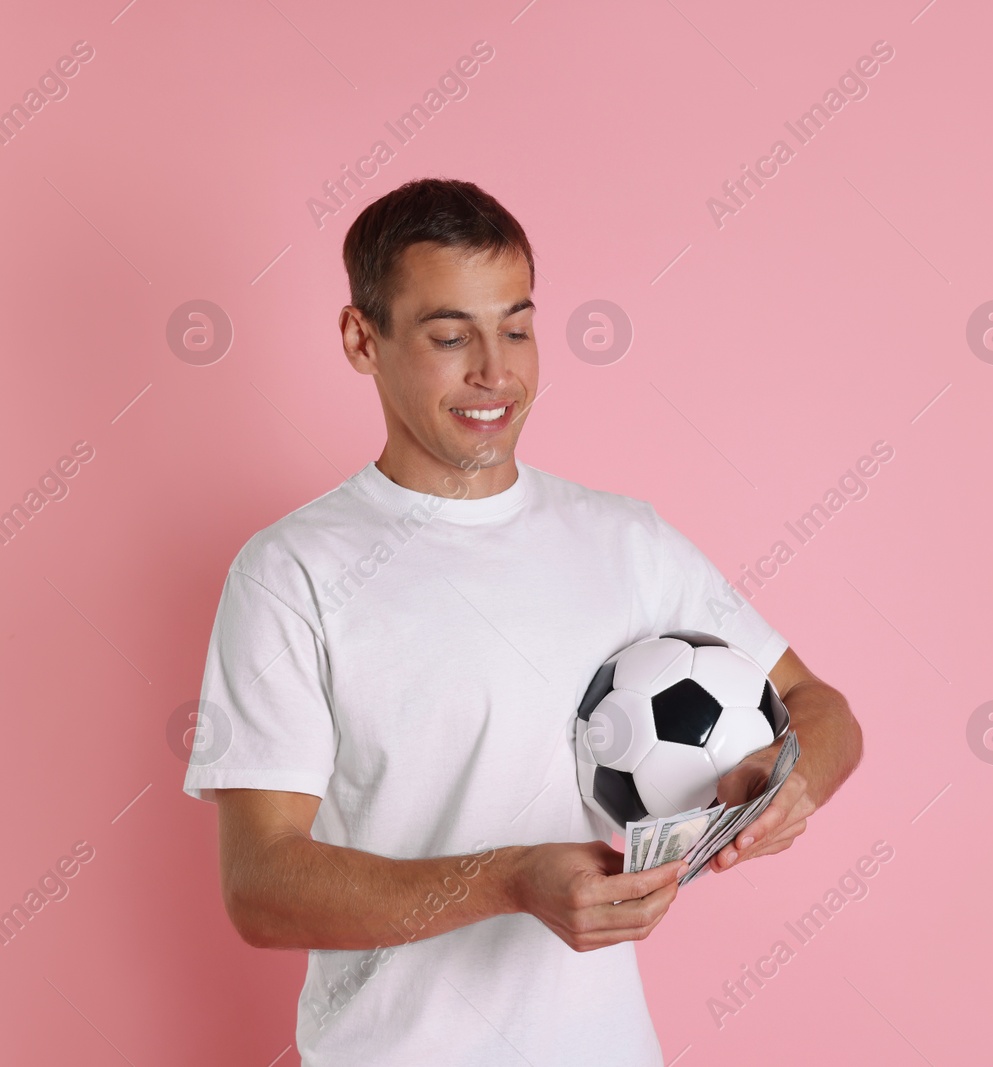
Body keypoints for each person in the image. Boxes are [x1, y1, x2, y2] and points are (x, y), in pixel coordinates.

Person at [182, 177, 864, 1065]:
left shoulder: (626, 541)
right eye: (449, 334)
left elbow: (820, 704)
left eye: (516, 327)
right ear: (362, 339)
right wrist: (507, 880)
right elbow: (261, 885)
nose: (495, 372)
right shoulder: (290, 572)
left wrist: (790, 779)